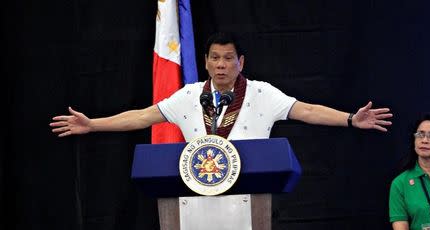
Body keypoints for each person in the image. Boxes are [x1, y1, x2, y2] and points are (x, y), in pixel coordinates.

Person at [50, 32, 392, 140]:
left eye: (229, 58)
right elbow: (141, 117)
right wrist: (93, 124)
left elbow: (309, 111)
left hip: (252, 190)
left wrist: (350, 118)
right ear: (205, 62)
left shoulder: (262, 93)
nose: (221, 65)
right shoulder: (188, 96)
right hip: (195, 192)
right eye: (215, 58)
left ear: (241, 62)